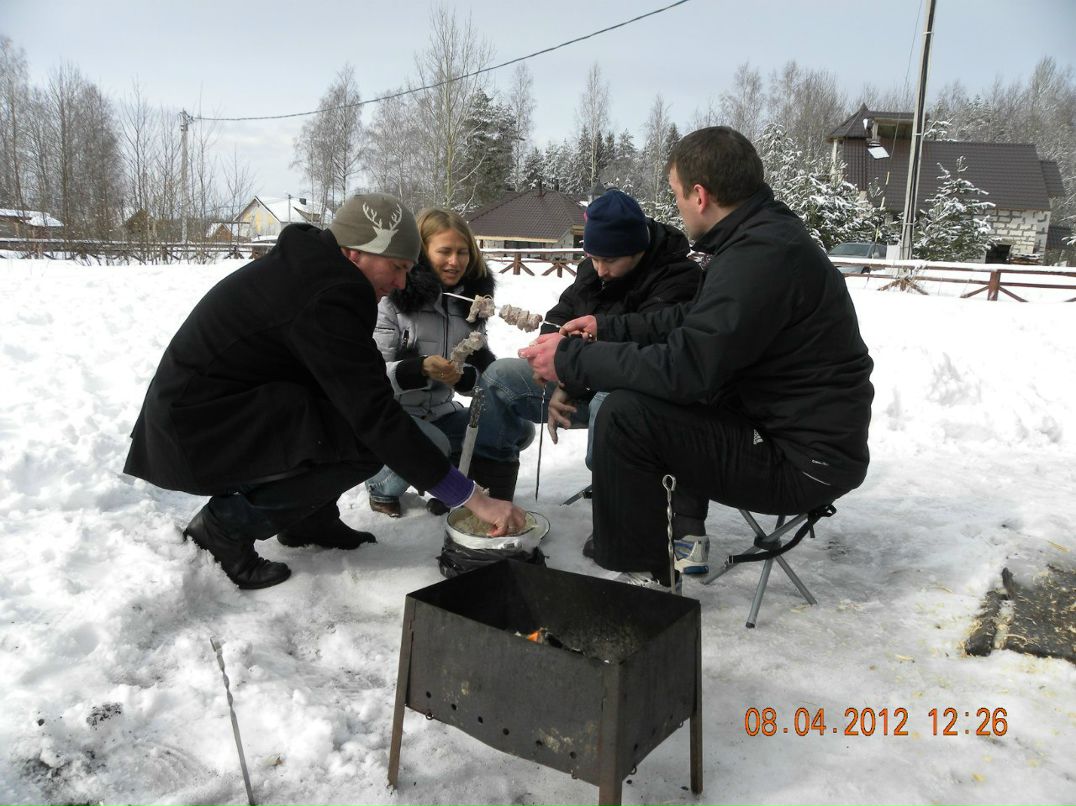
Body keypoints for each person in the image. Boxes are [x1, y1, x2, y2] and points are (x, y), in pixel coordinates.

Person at [520, 127, 874, 588]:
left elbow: (687, 369)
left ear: (700, 195)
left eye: (676, 193)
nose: (678, 206)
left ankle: (638, 572)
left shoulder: (760, 254)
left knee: (627, 415)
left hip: (802, 458)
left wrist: (572, 362)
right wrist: (607, 326)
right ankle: (669, 551)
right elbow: (697, 319)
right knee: (652, 406)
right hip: (777, 429)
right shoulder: (760, 241)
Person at [123, 193, 526, 590]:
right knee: (362, 439)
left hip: (220, 411)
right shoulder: (327, 293)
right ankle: (224, 529)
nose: (402, 282)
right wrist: (472, 498)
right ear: (356, 253)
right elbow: (374, 415)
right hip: (194, 429)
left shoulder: (318, 271)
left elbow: (357, 386)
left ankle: (306, 519)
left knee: (341, 425)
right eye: (398, 267)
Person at [471, 188, 702, 505]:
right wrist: (547, 355)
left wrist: (568, 379)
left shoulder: (678, 277)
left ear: (639, 249)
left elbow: (644, 353)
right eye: (593, 258)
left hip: (632, 392)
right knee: (498, 378)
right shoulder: (591, 270)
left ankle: (618, 514)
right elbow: (559, 316)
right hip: (576, 377)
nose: (600, 270)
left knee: (610, 406)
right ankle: (489, 502)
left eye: (610, 260)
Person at [365, 207, 519, 518]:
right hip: (393, 417)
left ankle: (456, 490)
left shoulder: (472, 304)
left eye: (463, 252)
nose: (455, 261)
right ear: (421, 252)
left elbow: (480, 368)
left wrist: (463, 378)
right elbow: (369, 378)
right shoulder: (390, 300)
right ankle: (380, 486)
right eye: (444, 251)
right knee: (431, 443)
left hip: (442, 411)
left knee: (513, 428)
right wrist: (417, 368)